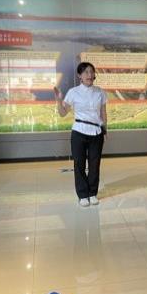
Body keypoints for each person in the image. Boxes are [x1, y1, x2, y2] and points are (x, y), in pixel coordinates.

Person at [55, 62, 107, 207]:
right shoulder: (73, 92)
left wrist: (105, 130)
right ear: (80, 75)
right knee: (79, 164)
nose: (89, 75)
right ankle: (83, 194)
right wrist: (58, 100)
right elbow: (63, 113)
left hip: (96, 132)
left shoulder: (100, 92)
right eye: (86, 72)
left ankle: (92, 193)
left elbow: (103, 112)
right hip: (79, 132)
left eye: (91, 72)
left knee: (95, 164)